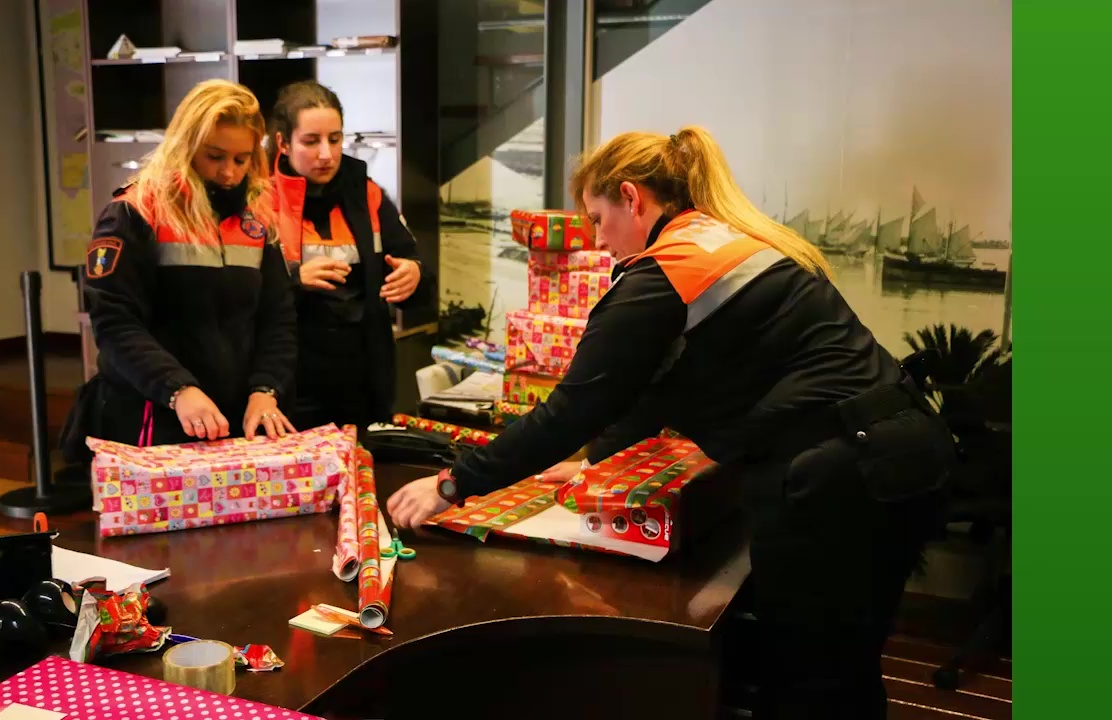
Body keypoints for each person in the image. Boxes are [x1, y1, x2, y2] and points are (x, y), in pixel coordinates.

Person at [387, 126, 955, 718]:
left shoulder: (662, 273)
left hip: (840, 478)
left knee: (810, 685)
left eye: (599, 219)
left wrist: (452, 483)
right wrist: (592, 459)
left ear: (632, 199)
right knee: (844, 669)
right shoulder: (724, 241)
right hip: (900, 450)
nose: (598, 241)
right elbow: (666, 389)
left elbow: (572, 408)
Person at [60, 79, 297, 457]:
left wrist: (265, 389)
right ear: (186, 147)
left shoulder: (257, 220)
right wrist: (178, 389)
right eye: (215, 157)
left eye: (241, 160)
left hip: (233, 414)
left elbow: (278, 318)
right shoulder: (134, 212)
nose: (229, 173)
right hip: (152, 411)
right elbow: (115, 323)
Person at [267, 80, 432, 431]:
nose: (326, 154)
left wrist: (414, 274)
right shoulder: (260, 201)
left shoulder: (369, 194)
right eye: (311, 141)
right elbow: (237, 301)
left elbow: (416, 273)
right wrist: (294, 279)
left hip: (365, 384)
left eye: (335, 139)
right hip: (289, 383)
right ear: (283, 143)